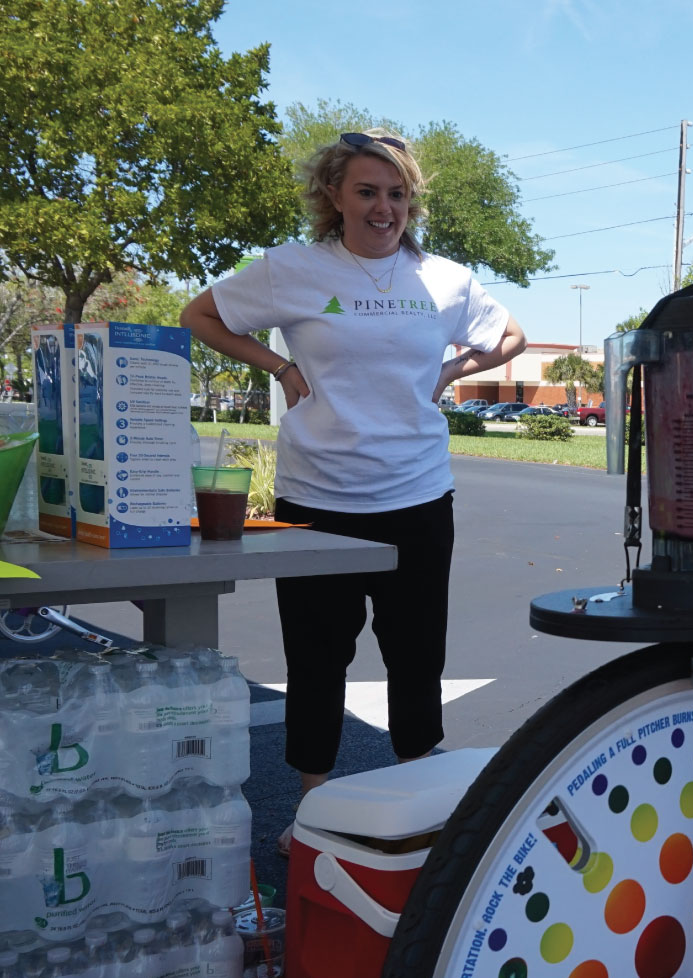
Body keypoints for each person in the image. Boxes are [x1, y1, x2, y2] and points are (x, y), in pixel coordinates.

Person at [181, 130, 526, 855]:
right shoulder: (292, 270)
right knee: (315, 659)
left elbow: (512, 336)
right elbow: (199, 315)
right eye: (368, 191)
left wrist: (455, 368)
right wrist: (277, 366)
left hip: (418, 494)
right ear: (334, 196)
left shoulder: (445, 279)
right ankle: (312, 811)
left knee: (415, 655)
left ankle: (419, 801)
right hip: (319, 498)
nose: (384, 207)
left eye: (397, 194)